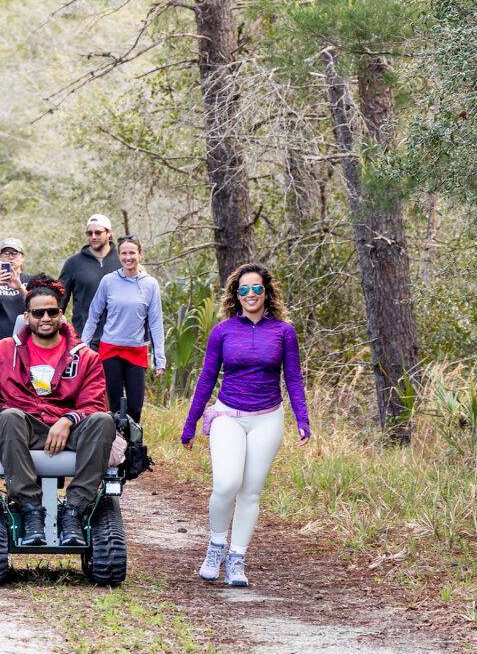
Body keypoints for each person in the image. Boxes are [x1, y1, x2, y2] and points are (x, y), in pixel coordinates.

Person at [181, 263, 311, 587]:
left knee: (250, 492)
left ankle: (236, 559)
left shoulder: (284, 332)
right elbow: (207, 377)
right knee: (226, 484)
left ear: (267, 293)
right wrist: (191, 422)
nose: (250, 295)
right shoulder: (222, 331)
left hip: (267, 419)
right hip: (228, 416)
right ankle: (216, 546)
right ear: (235, 295)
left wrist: (302, 419)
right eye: (244, 290)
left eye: (256, 289)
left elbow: (292, 378)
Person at [0, 275, 112, 547]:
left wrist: (68, 419)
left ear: (61, 316)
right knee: (8, 415)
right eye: (38, 312)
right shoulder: (5, 351)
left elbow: (95, 403)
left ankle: (74, 511)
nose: (45, 318)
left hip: (70, 430)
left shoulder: (85, 356)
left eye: (52, 312)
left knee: (102, 420)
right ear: (26, 316)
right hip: (24, 427)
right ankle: (30, 510)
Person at [81, 236, 166, 423]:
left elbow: (155, 322)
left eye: (132, 253)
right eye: (124, 253)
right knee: (115, 405)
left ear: (140, 255)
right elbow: (94, 314)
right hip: (110, 349)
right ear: (119, 255)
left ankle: (134, 447)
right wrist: (83, 345)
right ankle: (116, 446)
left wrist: (160, 358)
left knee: (135, 406)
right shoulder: (108, 281)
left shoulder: (150, 284)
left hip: (136, 350)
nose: (128, 257)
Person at [59, 214, 121, 349]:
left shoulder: (122, 260)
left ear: (109, 233)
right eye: (90, 233)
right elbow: (60, 300)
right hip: (85, 339)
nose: (93, 237)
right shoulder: (73, 263)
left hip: (119, 338)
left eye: (98, 232)